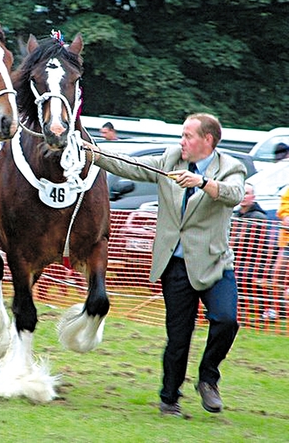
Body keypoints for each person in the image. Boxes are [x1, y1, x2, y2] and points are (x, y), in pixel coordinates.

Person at [86, 112, 245, 417]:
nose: (181, 141)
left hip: (214, 263)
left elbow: (233, 195)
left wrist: (203, 182)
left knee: (227, 320)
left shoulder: (230, 167)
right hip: (176, 265)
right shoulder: (172, 159)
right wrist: (93, 153)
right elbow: (128, 165)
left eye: (188, 136)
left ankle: (208, 378)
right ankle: (169, 399)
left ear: (207, 140)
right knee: (178, 337)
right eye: (182, 135)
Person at [270, 185, 289, 318]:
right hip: (287, 241)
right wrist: (286, 215)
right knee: (277, 274)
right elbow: (284, 205)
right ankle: (277, 309)